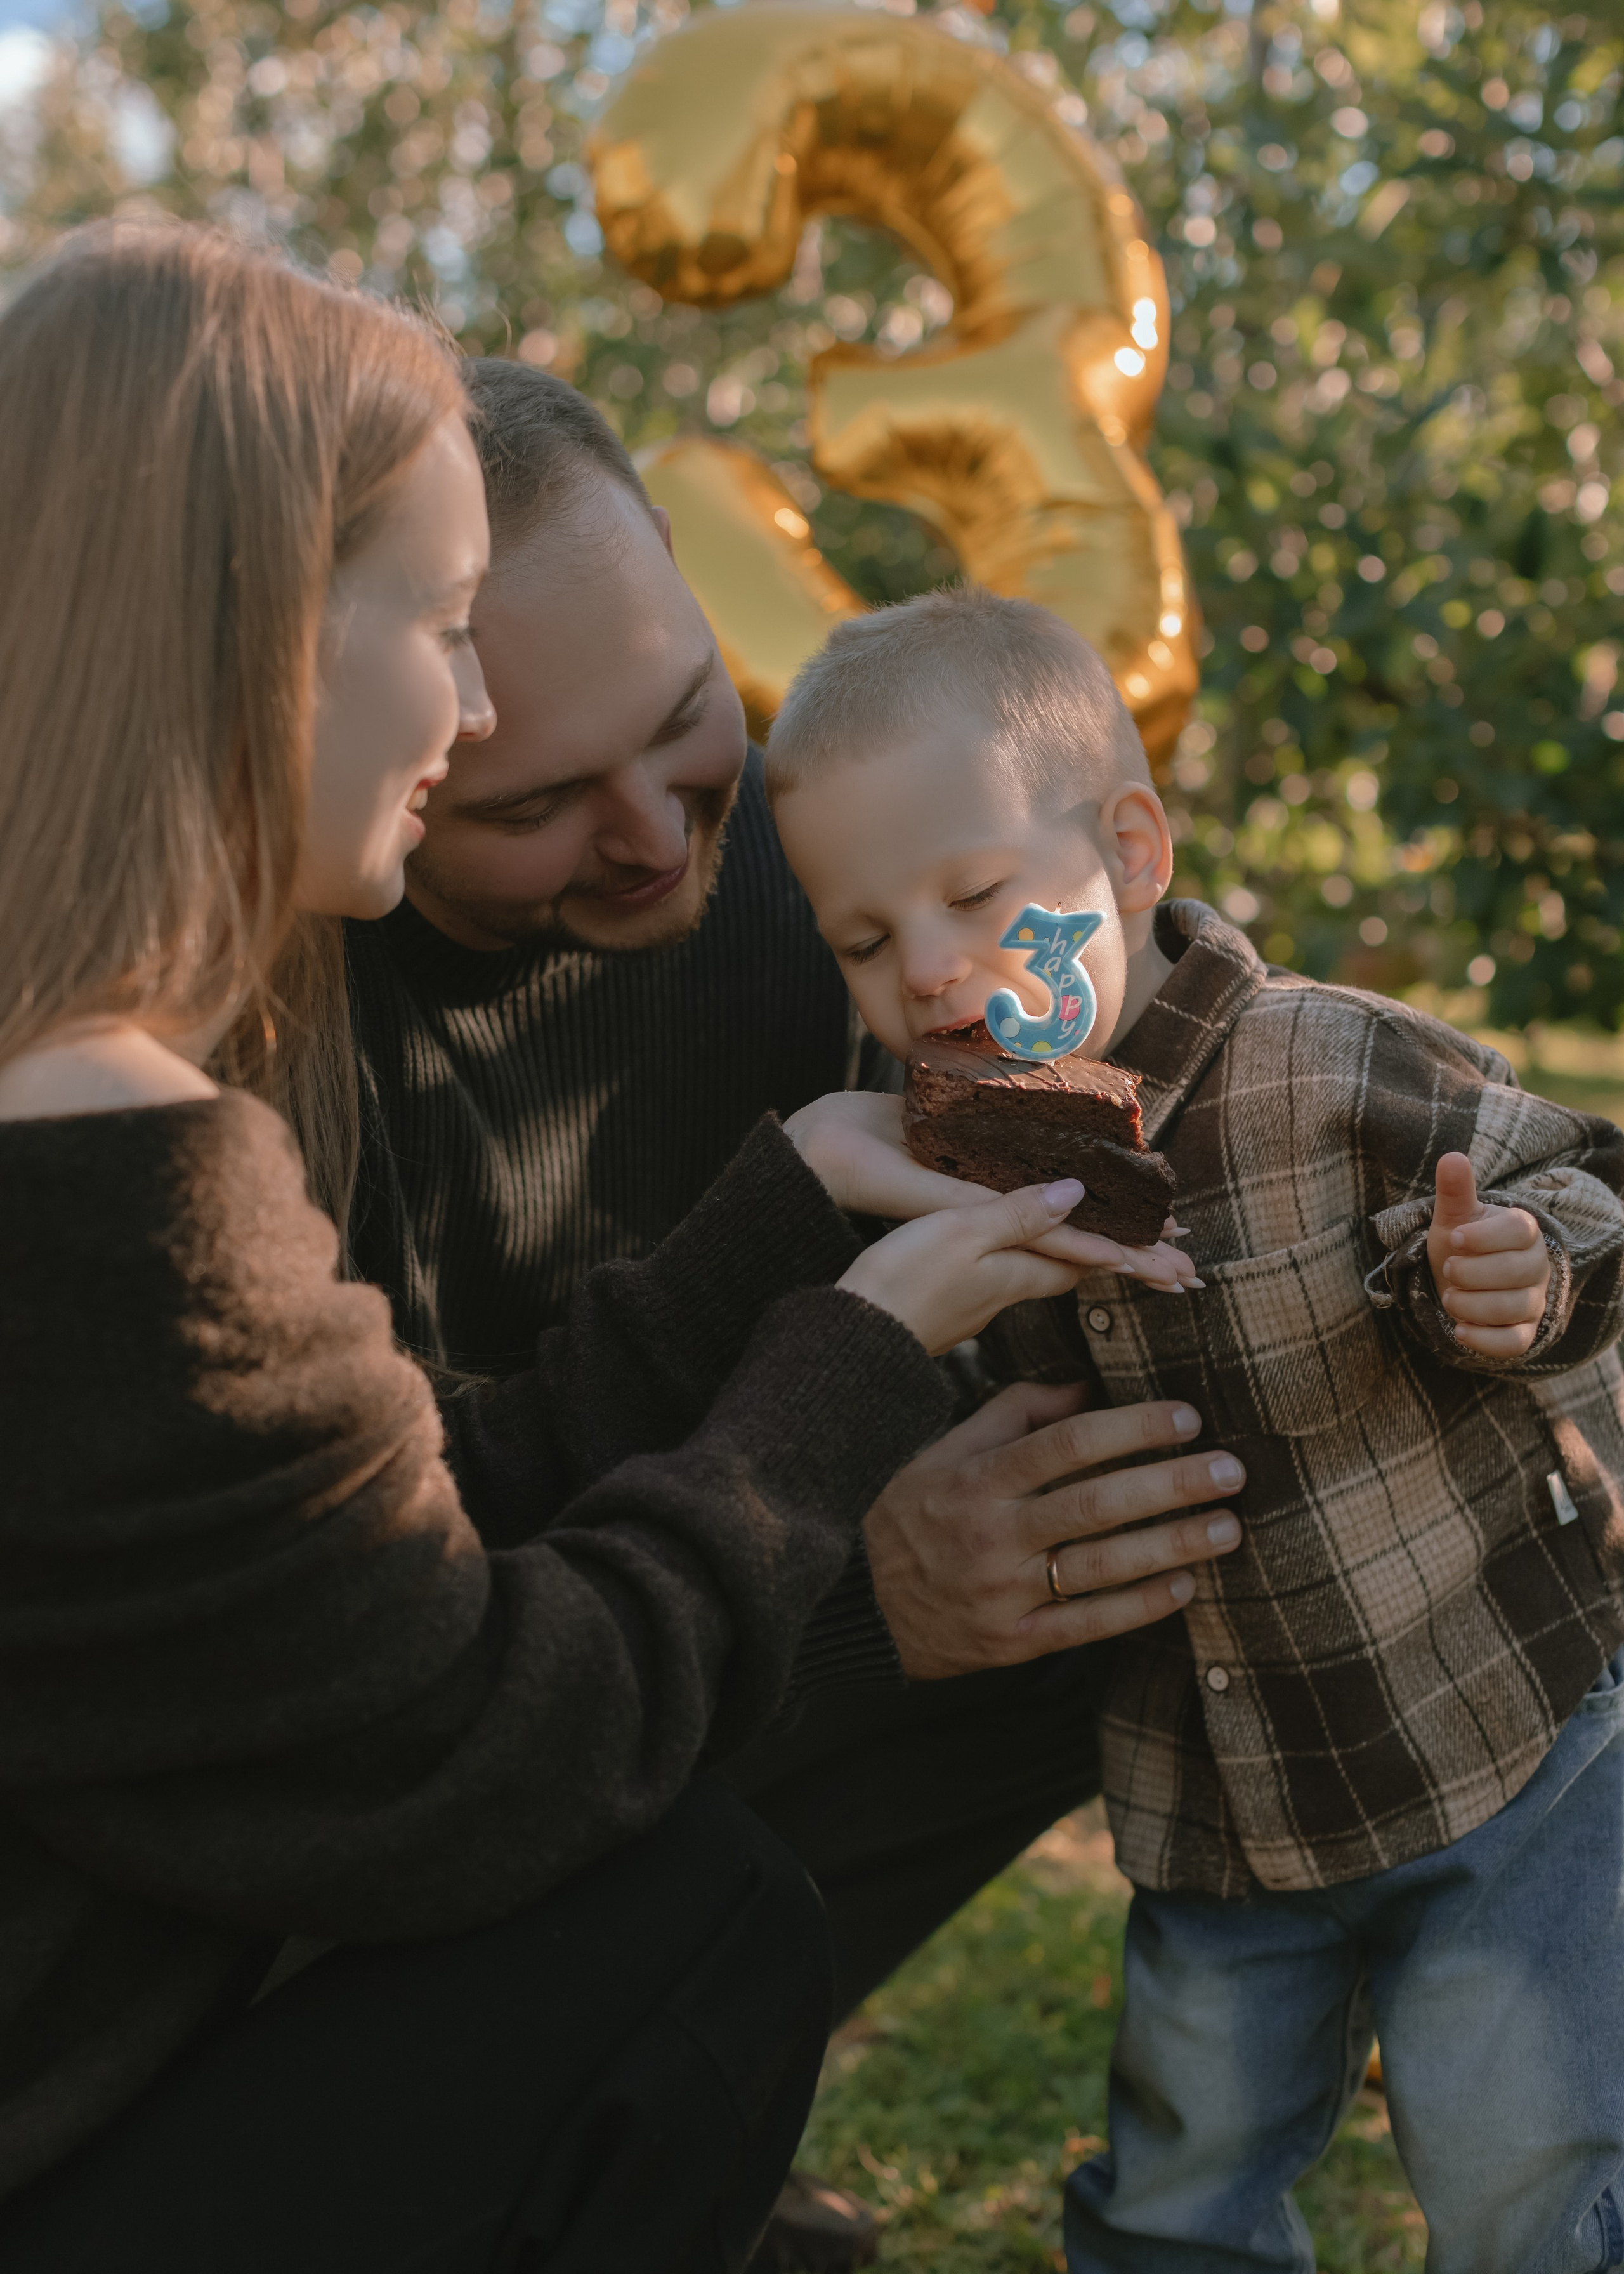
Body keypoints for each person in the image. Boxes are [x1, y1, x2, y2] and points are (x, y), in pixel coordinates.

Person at [0, 222, 1143, 2274]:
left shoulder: (810, 887)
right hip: (117, 2100)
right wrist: (846, 1391)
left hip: (187, 1953)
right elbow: (462, 1735)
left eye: (689, 710)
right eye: (442, 633)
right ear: (259, 639)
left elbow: (373, 1547)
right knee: (682, 1913)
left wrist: (781, 1218)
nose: (463, 699)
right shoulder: (135, 1163)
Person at [766, 581, 1624, 2274]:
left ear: (1133, 854)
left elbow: (1580, 1184)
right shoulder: (946, 1174)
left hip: (1495, 1742)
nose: (927, 974)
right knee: (1176, 2194)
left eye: (971, 897)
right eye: (863, 942)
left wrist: (1521, 1276)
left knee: (1517, 2168)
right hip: (1221, 1806)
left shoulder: (1321, 1062)